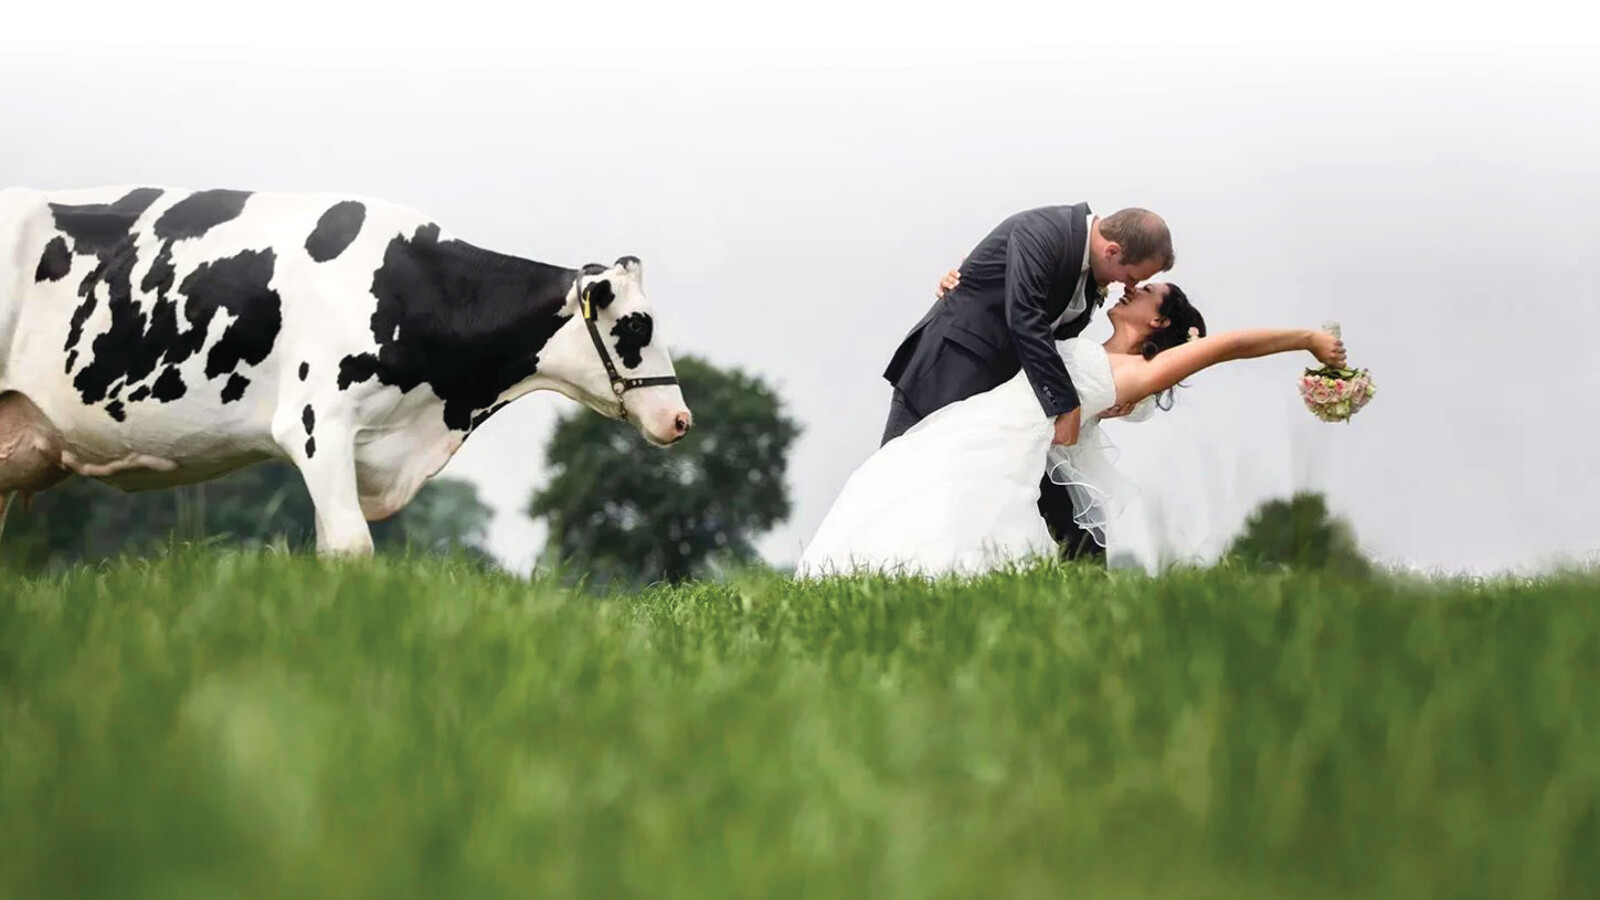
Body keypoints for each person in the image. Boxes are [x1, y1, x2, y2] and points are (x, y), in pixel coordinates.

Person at [796, 283, 1347, 578]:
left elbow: (1230, 345)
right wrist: (960, 278)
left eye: (1149, 291)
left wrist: (1308, 339)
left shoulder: (1139, 372)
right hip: (977, 422)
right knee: (907, 487)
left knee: (958, 513)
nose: (1133, 288)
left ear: (1159, 322)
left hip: (1009, 442)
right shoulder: (1082, 335)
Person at [880, 203, 1174, 559]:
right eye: (1130, 277)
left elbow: (1055, 341)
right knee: (892, 479)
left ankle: (1083, 574)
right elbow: (1025, 316)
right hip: (944, 372)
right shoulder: (1045, 231)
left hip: (1000, 398)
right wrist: (1066, 404)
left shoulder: (1086, 270)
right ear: (1111, 251)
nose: (1126, 287)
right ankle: (871, 560)